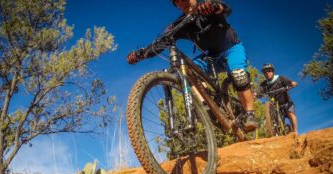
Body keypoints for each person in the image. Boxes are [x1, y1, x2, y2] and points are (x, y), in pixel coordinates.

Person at [127, 0, 258, 131]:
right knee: (189, 72)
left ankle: (250, 114)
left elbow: (224, 8)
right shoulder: (180, 24)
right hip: (210, 57)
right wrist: (141, 54)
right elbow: (161, 43)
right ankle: (206, 108)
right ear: (176, 5)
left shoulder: (207, 6)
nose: (183, 2)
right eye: (178, 1)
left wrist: (214, 6)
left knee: (239, 76)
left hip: (232, 49)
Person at [257, 63, 298, 133]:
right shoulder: (264, 84)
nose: (267, 73)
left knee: (290, 112)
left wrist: (292, 84)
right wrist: (255, 94)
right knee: (274, 119)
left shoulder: (280, 78)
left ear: (273, 71)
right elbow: (258, 91)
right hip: (275, 106)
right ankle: (276, 132)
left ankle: (295, 131)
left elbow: (293, 82)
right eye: (264, 72)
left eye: (269, 71)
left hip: (286, 102)